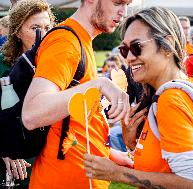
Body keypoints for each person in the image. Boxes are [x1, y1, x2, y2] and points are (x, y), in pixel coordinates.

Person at [84, 7, 193, 189]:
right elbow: (162, 167)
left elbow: (190, 184)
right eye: (124, 49)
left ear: (167, 45)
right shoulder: (179, 89)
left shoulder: (172, 100)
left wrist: (116, 173)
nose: (128, 57)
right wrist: (132, 144)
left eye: (136, 47)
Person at [21, 0, 131, 188]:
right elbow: (32, 113)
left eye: (127, 4)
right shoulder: (66, 41)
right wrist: (99, 85)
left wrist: (110, 154)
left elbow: (74, 122)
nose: (123, 11)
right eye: (118, 2)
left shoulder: (81, 40)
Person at [0, 0, 54, 187]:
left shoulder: (56, 64)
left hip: (50, 158)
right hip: (13, 165)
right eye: (35, 28)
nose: (44, 35)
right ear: (17, 32)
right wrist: (4, 151)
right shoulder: (3, 65)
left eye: (48, 27)